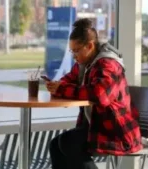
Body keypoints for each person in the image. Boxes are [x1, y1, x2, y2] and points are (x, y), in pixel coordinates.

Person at [45, 18, 142, 169]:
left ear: (90, 46)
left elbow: (100, 96)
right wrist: (57, 85)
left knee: (68, 143)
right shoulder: (84, 64)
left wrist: (62, 89)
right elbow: (68, 80)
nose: (74, 56)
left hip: (116, 131)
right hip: (96, 126)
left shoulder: (108, 64)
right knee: (55, 146)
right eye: (72, 51)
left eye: (76, 50)